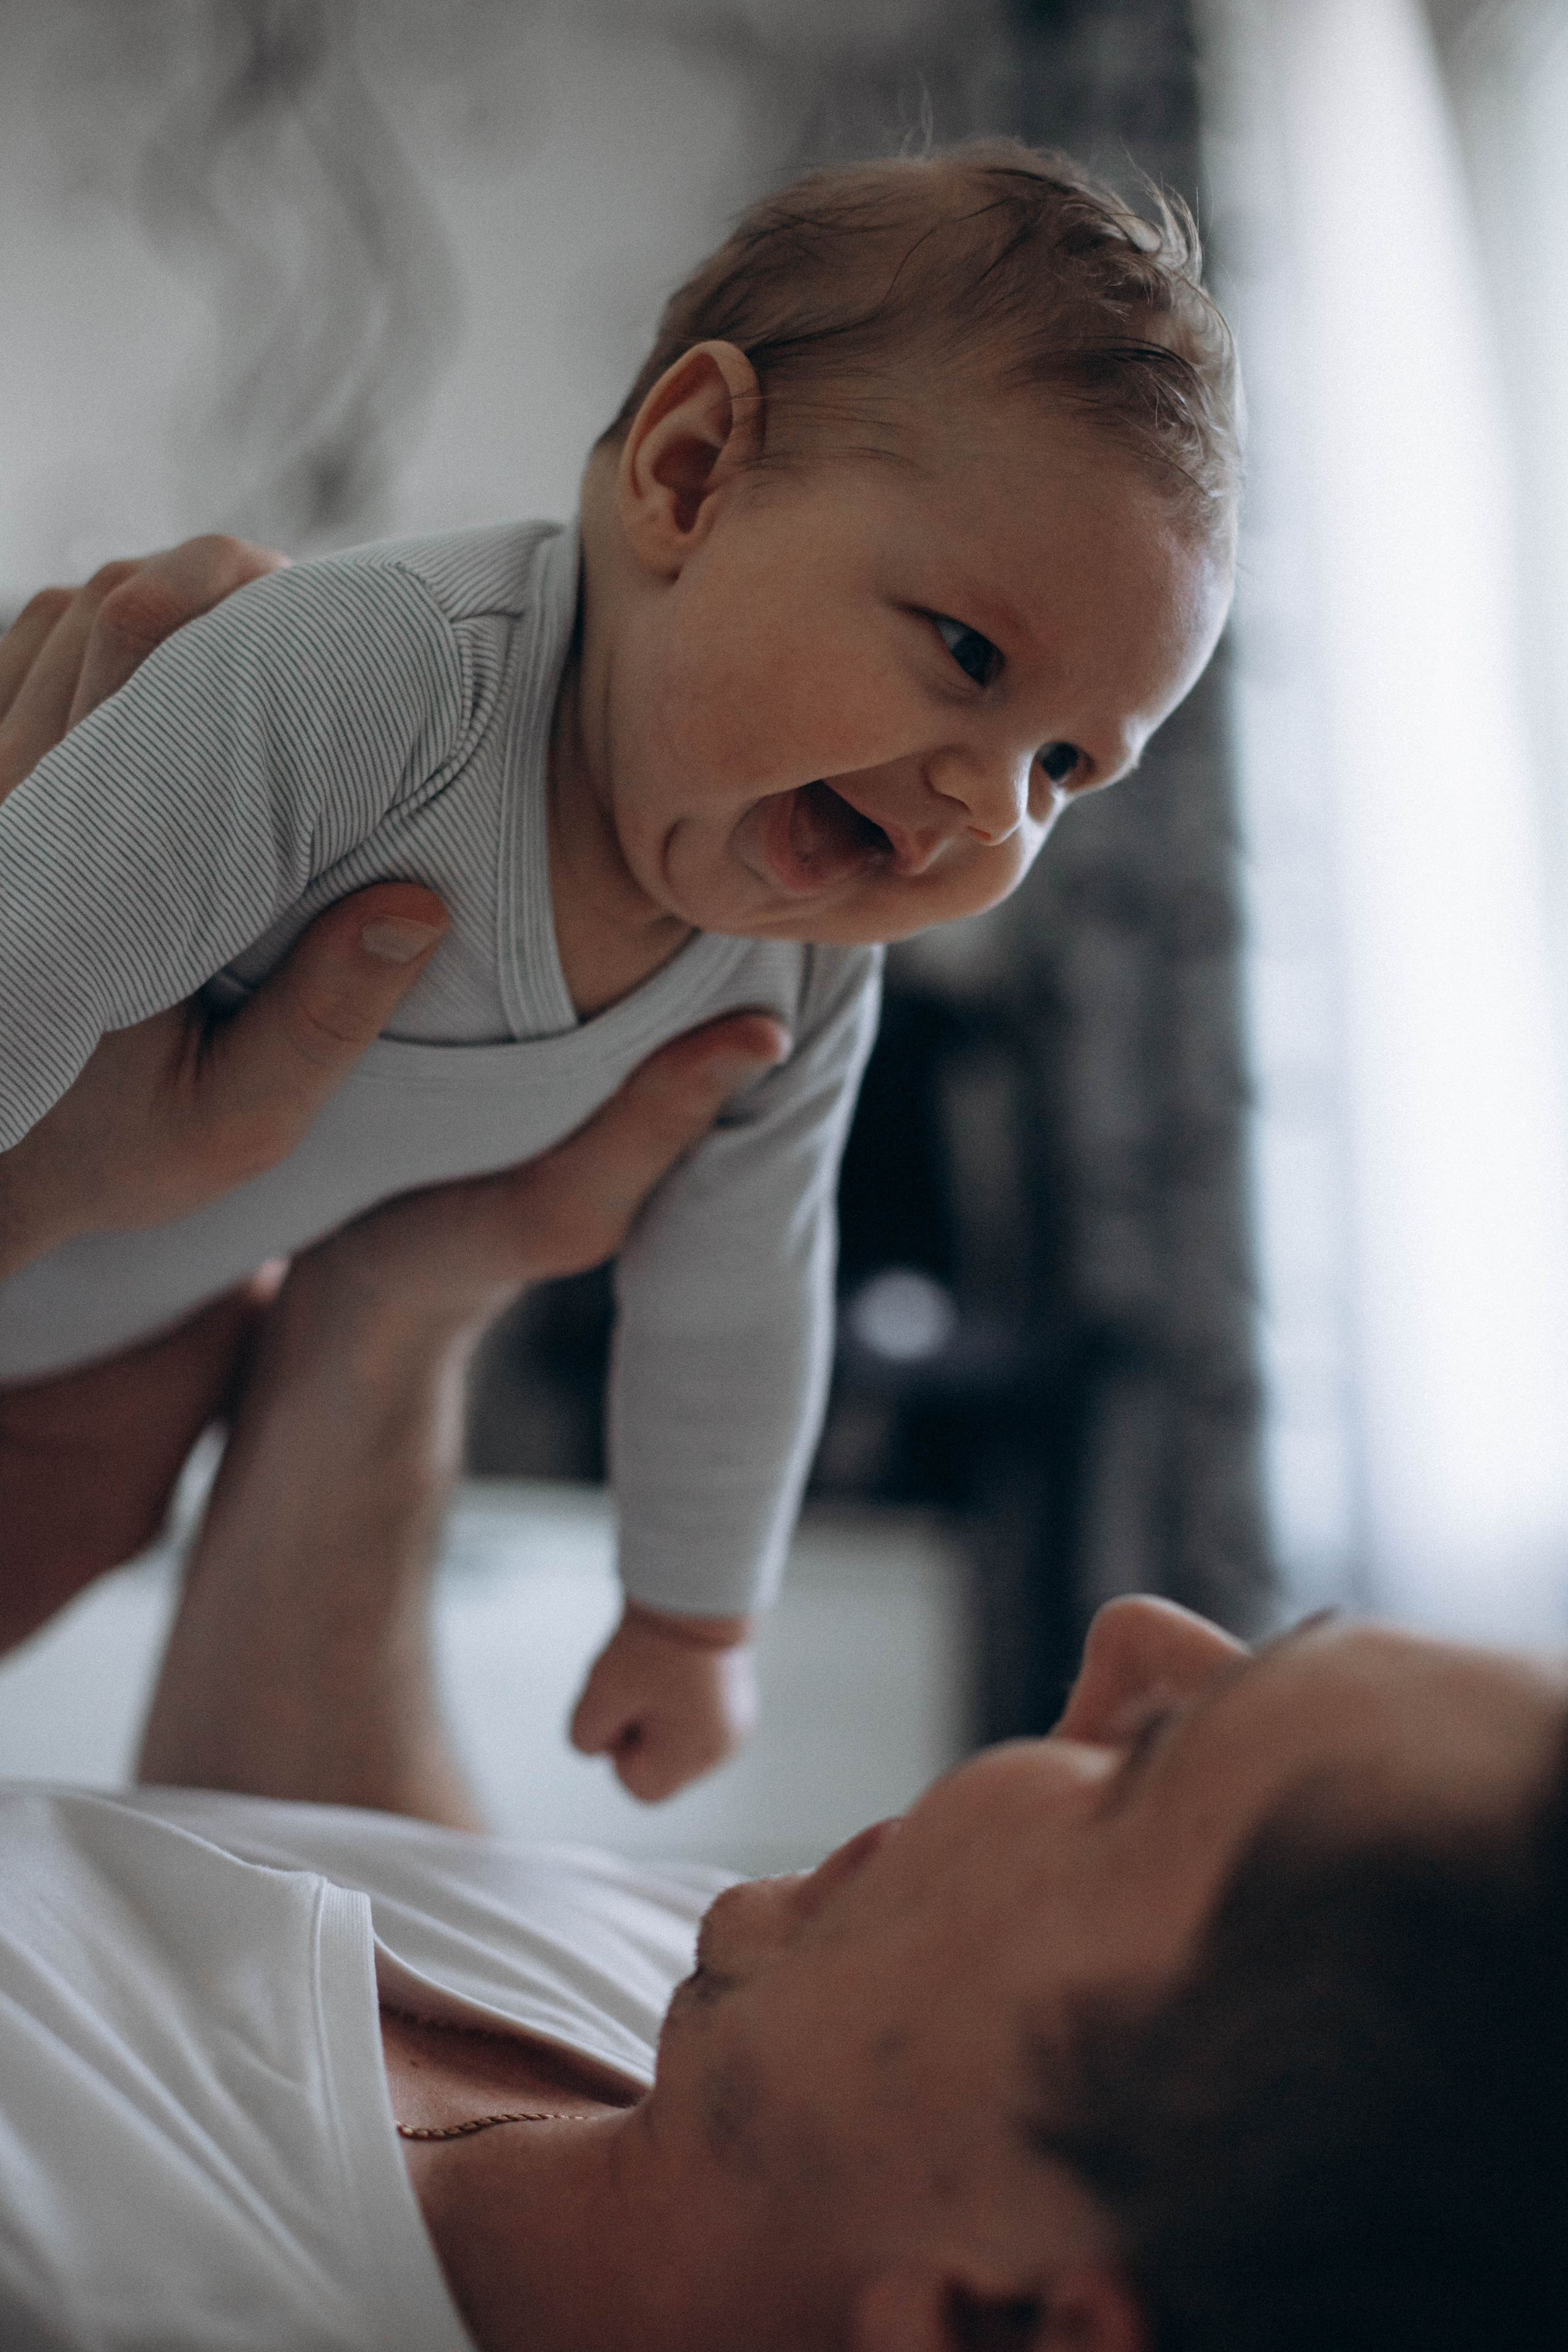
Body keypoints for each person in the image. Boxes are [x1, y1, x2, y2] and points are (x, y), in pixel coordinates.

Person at [1, 541, 1562, 2352]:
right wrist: (407, 1280)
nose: (1130, 1632)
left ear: (1025, 2313)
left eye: (1148, 1777)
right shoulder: (795, 2047)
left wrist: (36, 1189)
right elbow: (306, 1890)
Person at [0, 138, 1238, 1797]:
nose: (986, 802)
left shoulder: (790, 980)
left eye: (1067, 768)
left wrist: (695, 1617)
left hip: (128, 1341)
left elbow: (743, 1289)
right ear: (691, 470)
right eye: (967, 653)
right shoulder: (393, 682)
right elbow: (43, 935)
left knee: (77, 1520)